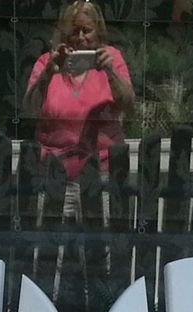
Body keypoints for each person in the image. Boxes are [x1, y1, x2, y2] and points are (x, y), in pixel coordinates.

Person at [22, 2, 135, 183]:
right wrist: (49, 73)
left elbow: (128, 104)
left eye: (87, 30)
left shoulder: (112, 57)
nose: (81, 37)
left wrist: (110, 71)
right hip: (53, 174)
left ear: (98, 31)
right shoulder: (48, 62)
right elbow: (30, 109)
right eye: (74, 31)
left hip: (104, 172)